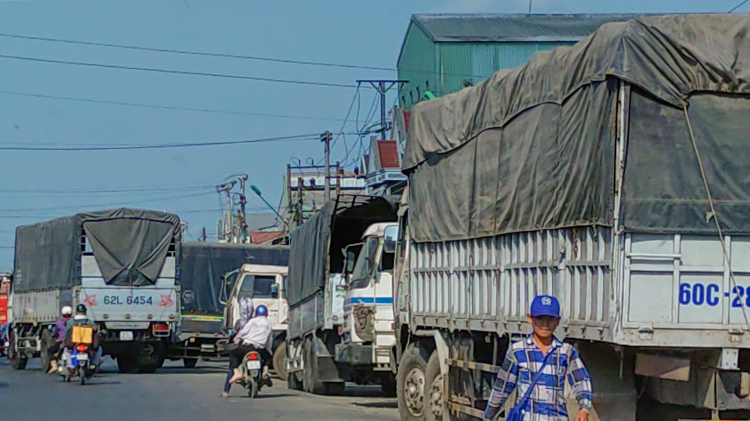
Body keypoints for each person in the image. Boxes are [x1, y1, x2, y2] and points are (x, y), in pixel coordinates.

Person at [484, 295, 592, 421]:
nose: (545, 324)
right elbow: (502, 388)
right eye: (540, 318)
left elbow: (581, 381)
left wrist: (584, 408)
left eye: (550, 319)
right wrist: (488, 417)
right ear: (530, 319)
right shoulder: (518, 351)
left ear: (557, 321)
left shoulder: (566, 352)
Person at [221, 304, 273, 397]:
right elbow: (269, 341)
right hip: (260, 349)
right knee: (268, 359)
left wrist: (237, 338)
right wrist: (268, 352)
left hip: (247, 347)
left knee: (233, 355)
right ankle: (265, 371)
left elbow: (243, 331)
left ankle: (229, 385)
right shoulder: (268, 324)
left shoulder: (252, 321)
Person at [62, 304, 103, 371]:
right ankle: (94, 364)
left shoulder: (70, 322)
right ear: (85, 312)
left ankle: (70, 366)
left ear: (76, 312)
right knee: (99, 349)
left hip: (74, 344)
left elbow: (67, 333)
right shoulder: (90, 322)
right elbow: (95, 332)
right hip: (88, 344)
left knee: (67, 350)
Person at [47, 306, 73, 373]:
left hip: (63, 342)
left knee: (50, 351)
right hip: (73, 342)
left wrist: (53, 336)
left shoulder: (59, 323)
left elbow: (54, 333)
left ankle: (54, 366)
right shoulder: (73, 321)